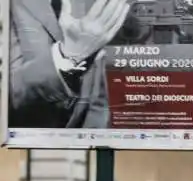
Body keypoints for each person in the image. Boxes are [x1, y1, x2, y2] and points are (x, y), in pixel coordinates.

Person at [9, 0, 129, 129]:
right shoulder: (13, 6)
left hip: (123, 138)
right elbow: (9, 93)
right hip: (47, 139)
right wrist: (70, 55)